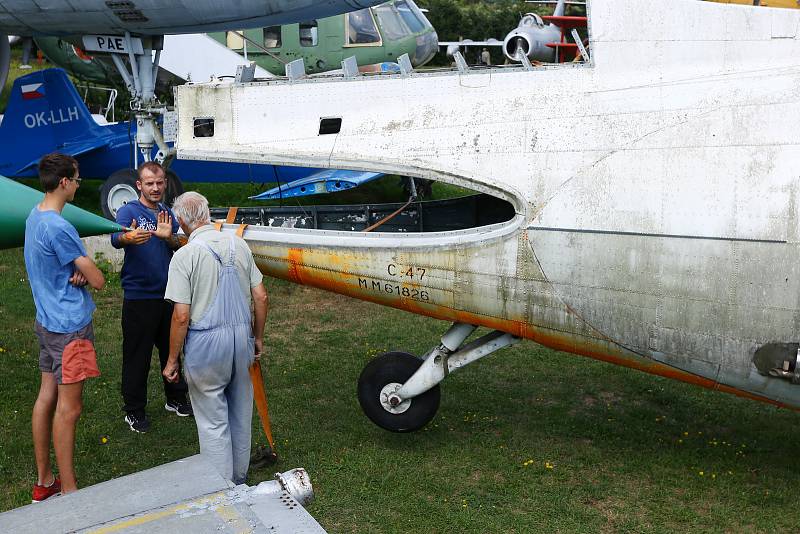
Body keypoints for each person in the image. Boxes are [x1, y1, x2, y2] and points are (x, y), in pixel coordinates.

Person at [162, 192, 268, 484]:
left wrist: (172, 360)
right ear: (207, 214)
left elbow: (181, 316)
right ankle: (239, 479)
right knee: (240, 414)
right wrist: (257, 337)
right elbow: (260, 295)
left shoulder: (184, 255)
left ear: (181, 221)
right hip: (241, 339)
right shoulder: (239, 244)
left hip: (206, 343)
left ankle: (221, 488)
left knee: (212, 421)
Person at [24, 153, 105, 501]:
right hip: (70, 330)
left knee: (46, 397)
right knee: (69, 409)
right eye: (77, 179)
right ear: (64, 183)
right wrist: (87, 274)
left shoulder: (34, 215)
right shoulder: (60, 227)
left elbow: (59, 267)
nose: (78, 184)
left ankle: (45, 481)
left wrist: (76, 274)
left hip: (47, 323)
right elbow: (99, 280)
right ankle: (70, 491)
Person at [111, 162, 191, 433]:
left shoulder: (168, 213)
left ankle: (176, 398)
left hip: (168, 295)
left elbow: (182, 243)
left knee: (172, 351)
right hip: (139, 297)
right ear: (139, 186)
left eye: (159, 183)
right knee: (137, 356)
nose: (155, 188)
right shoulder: (128, 210)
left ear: (165, 183)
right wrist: (127, 238)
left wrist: (169, 239)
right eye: (149, 183)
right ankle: (134, 411)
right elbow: (114, 236)